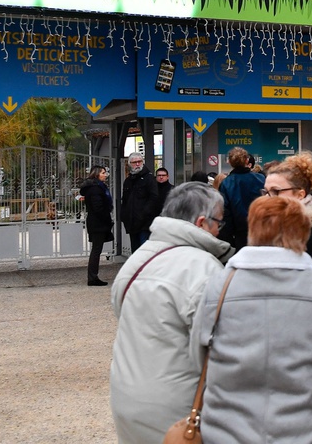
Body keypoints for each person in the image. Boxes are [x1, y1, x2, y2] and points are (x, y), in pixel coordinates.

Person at [190, 196, 312, 443]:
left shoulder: (217, 287)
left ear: (252, 230)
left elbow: (197, 358)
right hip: (309, 432)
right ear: (303, 232)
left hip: (227, 432)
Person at [109, 182, 234, 443]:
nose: (220, 231)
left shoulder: (138, 258)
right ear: (202, 222)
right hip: (177, 406)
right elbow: (216, 345)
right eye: (219, 223)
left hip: (126, 396)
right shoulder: (202, 267)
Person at [216, 146, 266, 249]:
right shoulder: (261, 179)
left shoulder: (226, 183)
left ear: (229, 162)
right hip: (261, 230)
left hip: (239, 234)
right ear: (247, 160)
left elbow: (225, 213)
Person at [78, 165, 113, 287]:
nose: (105, 175)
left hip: (96, 221)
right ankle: (92, 277)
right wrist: (106, 219)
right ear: (97, 174)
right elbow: (98, 207)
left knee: (96, 249)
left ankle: (93, 276)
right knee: (96, 250)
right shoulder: (95, 189)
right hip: (98, 222)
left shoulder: (96, 187)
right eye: (103, 173)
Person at [120, 152, 160, 252]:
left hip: (144, 222)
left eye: (139, 161)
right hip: (132, 222)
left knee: (144, 251)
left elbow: (154, 198)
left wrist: (144, 213)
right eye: (134, 162)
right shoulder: (128, 180)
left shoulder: (149, 178)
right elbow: (125, 200)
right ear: (130, 164)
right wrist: (124, 216)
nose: (137, 164)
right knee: (135, 250)